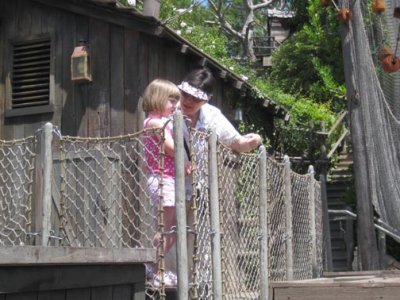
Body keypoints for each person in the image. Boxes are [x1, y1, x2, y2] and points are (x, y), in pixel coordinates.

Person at [142, 79, 191, 287]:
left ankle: (156, 269)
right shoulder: (154, 123)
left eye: (176, 101)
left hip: (169, 179)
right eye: (171, 100)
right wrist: (189, 159)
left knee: (170, 228)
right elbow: (173, 149)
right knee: (165, 228)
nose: (175, 105)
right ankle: (152, 268)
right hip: (163, 180)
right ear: (157, 99)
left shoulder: (163, 122)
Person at [178, 68, 262, 152]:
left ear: (206, 100)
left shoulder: (212, 116)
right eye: (185, 94)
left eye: (196, 98)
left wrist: (255, 140)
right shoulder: (168, 109)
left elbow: (237, 144)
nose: (188, 101)